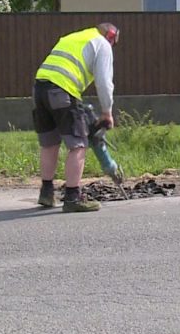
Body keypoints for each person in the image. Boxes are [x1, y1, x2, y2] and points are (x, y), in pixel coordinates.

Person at [33, 23, 120, 212]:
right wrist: (107, 112)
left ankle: (47, 192)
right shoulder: (102, 44)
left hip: (40, 88)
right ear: (111, 36)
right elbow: (104, 83)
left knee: (49, 143)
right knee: (78, 144)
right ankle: (72, 197)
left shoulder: (74, 37)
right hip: (63, 90)